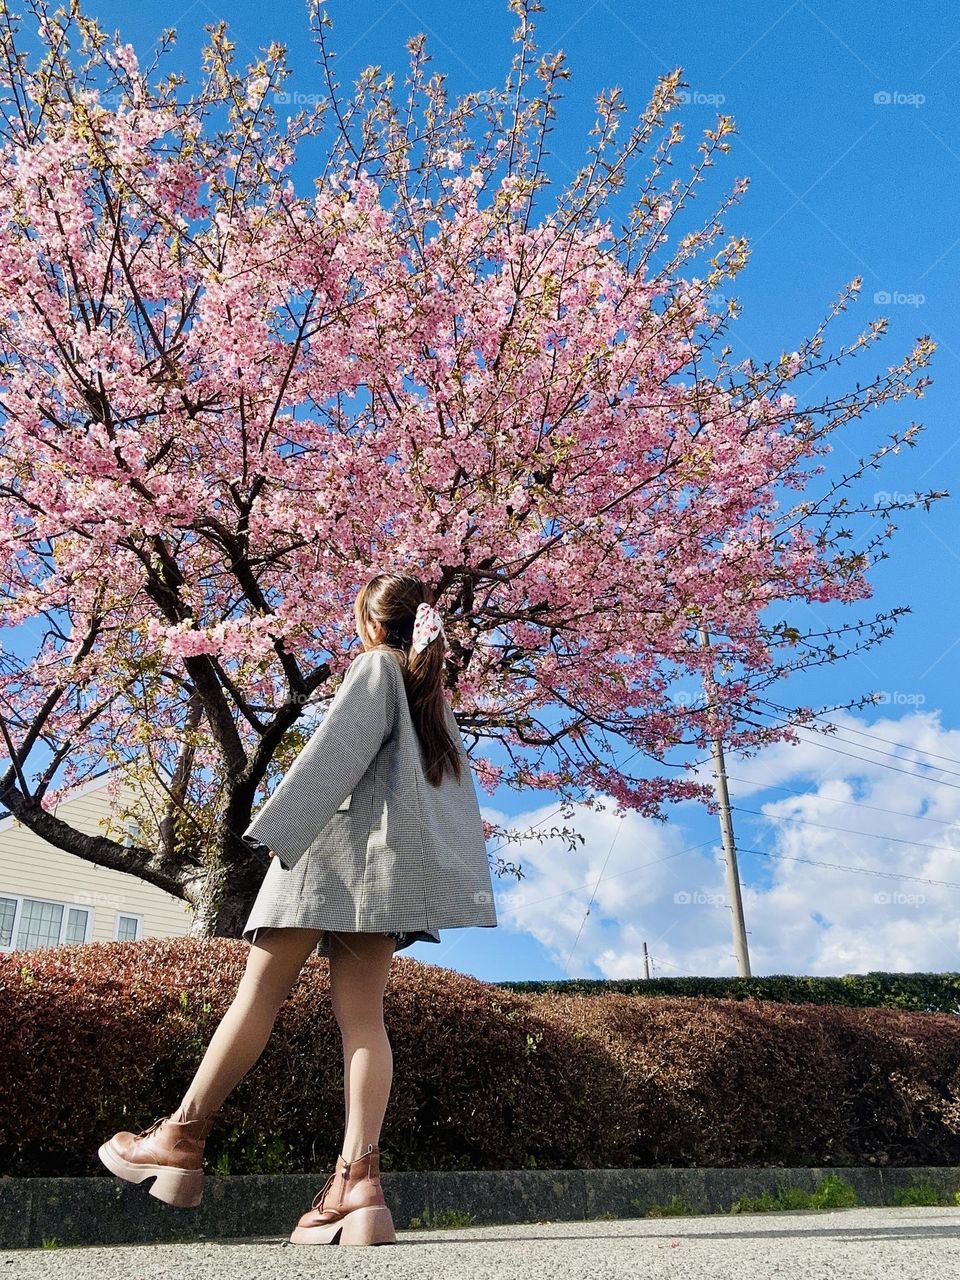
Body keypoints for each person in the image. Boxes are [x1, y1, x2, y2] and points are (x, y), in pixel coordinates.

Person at [97, 572, 498, 1247]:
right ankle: (358, 1183)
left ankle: (178, 1140)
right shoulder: (430, 698)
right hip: (383, 879)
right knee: (364, 1021)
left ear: (372, 624)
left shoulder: (375, 667)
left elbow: (332, 757)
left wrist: (272, 835)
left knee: (256, 998)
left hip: (330, 858)